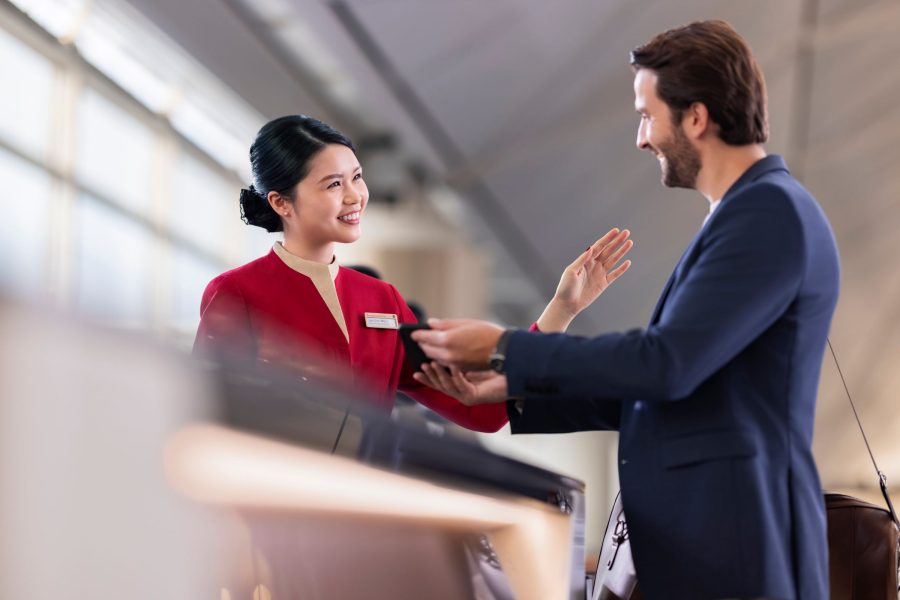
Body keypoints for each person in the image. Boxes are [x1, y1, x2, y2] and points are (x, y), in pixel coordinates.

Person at [412, 20, 839, 600]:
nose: (641, 138)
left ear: (695, 117)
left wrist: (507, 346)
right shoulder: (753, 211)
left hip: (739, 549)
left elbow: (666, 364)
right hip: (722, 545)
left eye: (646, 114)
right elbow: (675, 387)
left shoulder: (767, 213)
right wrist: (512, 388)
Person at [192, 115, 633, 433]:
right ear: (281, 203)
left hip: (366, 519)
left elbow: (481, 410)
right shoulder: (237, 293)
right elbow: (202, 417)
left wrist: (561, 310)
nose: (354, 196)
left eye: (357, 177)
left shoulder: (382, 300)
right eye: (333, 184)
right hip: (269, 519)